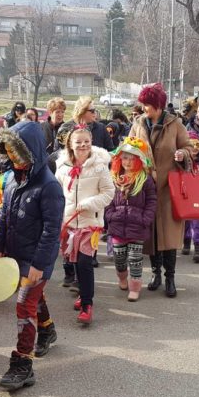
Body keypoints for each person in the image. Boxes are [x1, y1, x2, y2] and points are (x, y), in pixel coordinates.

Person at [0, 122, 64, 388]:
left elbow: (51, 231)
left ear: (31, 150)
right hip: (15, 255)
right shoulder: (11, 179)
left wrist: (39, 265)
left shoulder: (50, 186)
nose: (11, 157)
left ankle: (23, 364)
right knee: (34, 299)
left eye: (16, 151)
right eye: (7, 151)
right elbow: (3, 217)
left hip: (36, 260)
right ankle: (47, 329)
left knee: (24, 306)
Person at [128, 83, 193, 298]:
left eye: (147, 104)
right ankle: (155, 275)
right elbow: (129, 147)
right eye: (143, 104)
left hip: (168, 189)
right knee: (151, 235)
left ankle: (170, 278)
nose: (144, 108)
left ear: (157, 105)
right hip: (145, 187)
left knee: (168, 236)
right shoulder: (138, 123)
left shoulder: (175, 124)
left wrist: (183, 154)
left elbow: (189, 147)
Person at [55, 124, 114, 324]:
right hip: (69, 222)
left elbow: (108, 193)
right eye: (78, 142)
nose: (83, 145)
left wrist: (89, 204)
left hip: (90, 223)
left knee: (84, 262)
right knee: (73, 260)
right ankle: (83, 294)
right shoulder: (62, 166)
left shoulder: (99, 166)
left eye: (86, 142)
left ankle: (87, 304)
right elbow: (56, 192)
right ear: (70, 144)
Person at [105, 136, 157, 302]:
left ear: (139, 160)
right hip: (117, 225)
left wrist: (145, 219)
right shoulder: (114, 177)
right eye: (124, 157)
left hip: (137, 226)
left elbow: (152, 201)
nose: (127, 162)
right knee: (119, 259)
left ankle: (135, 288)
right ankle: (122, 278)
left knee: (135, 260)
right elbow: (108, 200)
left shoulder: (145, 179)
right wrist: (110, 216)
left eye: (131, 158)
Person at [181, 131, 199, 263]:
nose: (194, 148)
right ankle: (186, 242)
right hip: (185, 195)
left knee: (196, 222)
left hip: (198, 196)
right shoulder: (182, 161)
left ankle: (198, 247)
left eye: (197, 144)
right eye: (191, 145)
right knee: (185, 221)